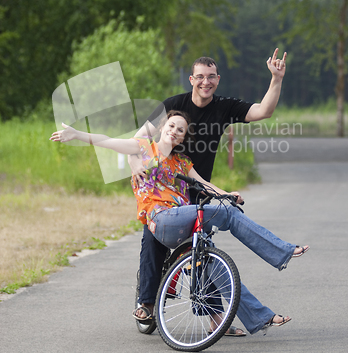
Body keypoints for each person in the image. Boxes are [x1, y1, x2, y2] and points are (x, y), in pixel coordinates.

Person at [50, 110, 309, 335]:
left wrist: (227, 194)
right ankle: (282, 250)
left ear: (184, 137)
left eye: (181, 130)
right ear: (162, 128)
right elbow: (107, 141)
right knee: (228, 215)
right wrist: (77, 134)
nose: (175, 131)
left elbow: (205, 185)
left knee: (214, 265)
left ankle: (260, 316)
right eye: (171, 126)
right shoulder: (142, 149)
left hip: (182, 223)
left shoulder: (182, 162)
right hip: (161, 220)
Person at [129, 48, 298, 335]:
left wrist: (277, 79)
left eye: (210, 77)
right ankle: (146, 303)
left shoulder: (224, 107)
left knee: (204, 256)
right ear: (191, 80)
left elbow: (263, 111)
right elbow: (138, 139)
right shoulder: (173, 105)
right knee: (152, 239)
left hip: (197, 191)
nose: (205, 82)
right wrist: (135, 166)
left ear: (217, 80)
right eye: (199, 77)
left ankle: (215, 319)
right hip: (163, 191)